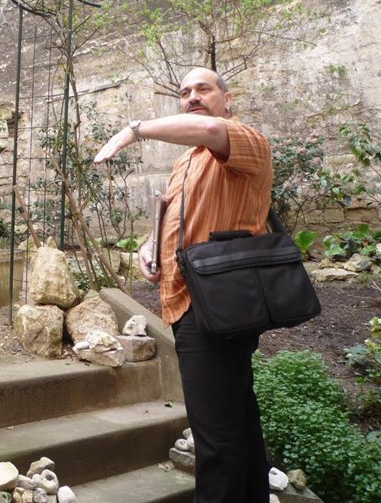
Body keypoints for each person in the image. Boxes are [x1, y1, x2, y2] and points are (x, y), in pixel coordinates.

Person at [94, 67, 273, 503]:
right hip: (187, 303)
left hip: (220, 302)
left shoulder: (245, 140)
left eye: (203, 89)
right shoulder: (186, 162)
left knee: (216, 438)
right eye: (185, 91)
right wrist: (149, 245)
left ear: (227, 99)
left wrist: (133, 130)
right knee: (237, 422)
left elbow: (210, 128)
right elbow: (175, 217)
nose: (192, 96)